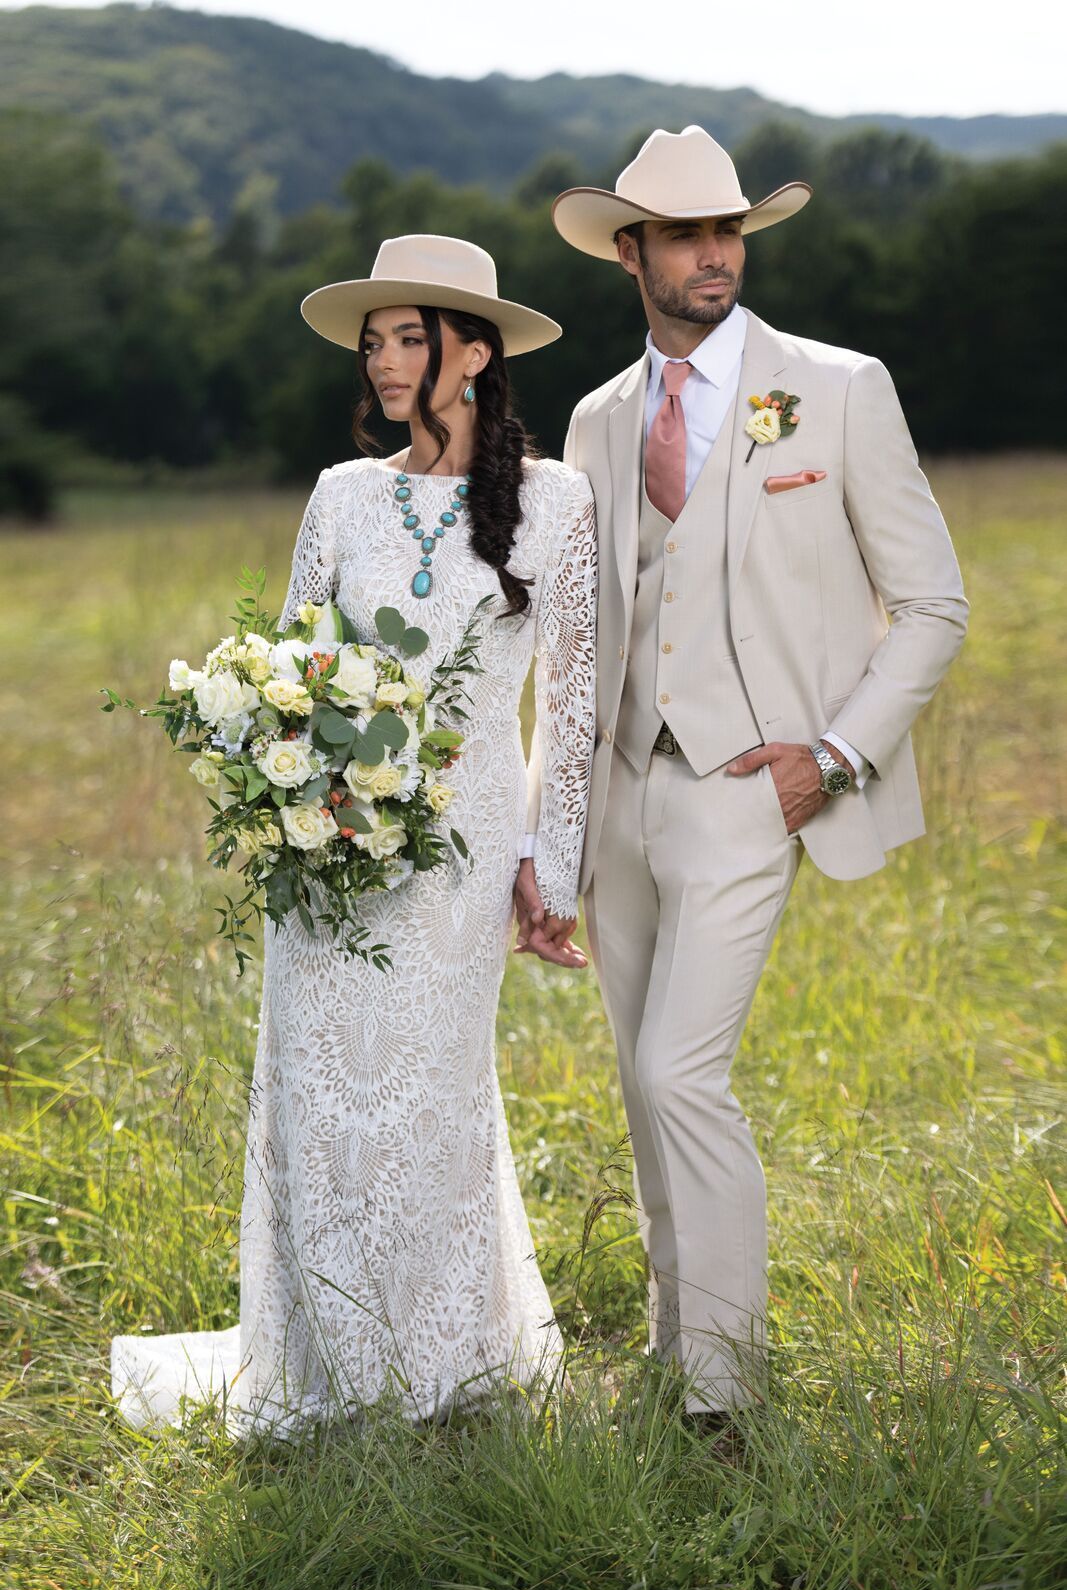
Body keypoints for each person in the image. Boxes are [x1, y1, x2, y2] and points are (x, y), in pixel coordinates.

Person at [516, 127, 968, 1436]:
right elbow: (580, 638)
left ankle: (723, 1398)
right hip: (617, 792)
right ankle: (671, 1354)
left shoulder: (832, 387)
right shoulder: (599, 417)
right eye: (685, 236)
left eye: (728, 234)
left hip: (751, 787)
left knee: (678, 1076)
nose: (714, 255)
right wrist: (552, 837)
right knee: (633, 1082)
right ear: (630, 253)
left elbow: (931, 604)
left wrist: (830, 758)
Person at [111, 234, 597, 1438]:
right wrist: (296, 801)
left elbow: (573, 702)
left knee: (432, 1091)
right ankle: (322, 1360)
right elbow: (289, 661)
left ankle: (440, 1362)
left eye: (406, 337)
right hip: (327, 841)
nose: (381, 360)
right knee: (321, 1093)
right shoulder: (342, 492)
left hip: (471, 838)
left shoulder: (559, 502)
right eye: (371, 341)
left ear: (473, 352)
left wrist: (553, 862)